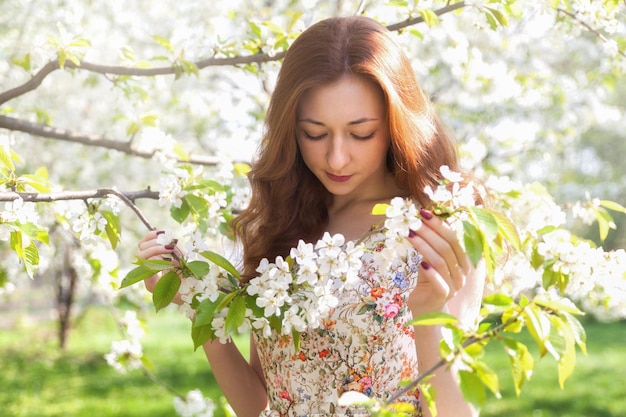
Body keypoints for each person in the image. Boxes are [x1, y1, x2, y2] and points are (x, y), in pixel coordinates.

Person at [137, 15, 484, 417]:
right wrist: (199, 304)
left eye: (361, 133)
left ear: (395, 124)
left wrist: (427, 317)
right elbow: (259, 402)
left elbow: (458, 409)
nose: (336, 157)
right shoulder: (282, 221)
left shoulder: (443, 223)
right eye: (314, 133)